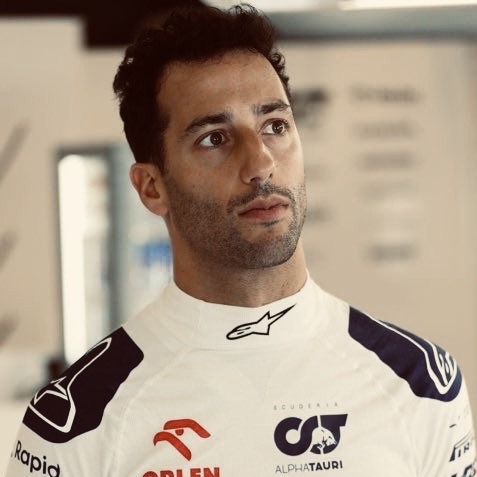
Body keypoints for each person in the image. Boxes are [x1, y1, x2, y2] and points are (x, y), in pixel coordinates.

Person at [6, 4, 476, 477]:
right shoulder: (79, 421)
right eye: (214, 138)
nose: (261, 163)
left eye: (275, 126)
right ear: (152, 187)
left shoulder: (419, 384)